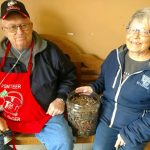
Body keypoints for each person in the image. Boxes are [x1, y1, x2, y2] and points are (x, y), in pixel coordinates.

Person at [0, 0, 76, 150]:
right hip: (7, 115)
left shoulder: (50, 51)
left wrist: (61, 99)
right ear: (3, 29)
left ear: (31, 25)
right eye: (12, 27)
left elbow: (69, 76)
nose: (19, 31)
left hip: (44, 115)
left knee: (63, 142)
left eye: (23, 25)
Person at [76, 7, 150, 150]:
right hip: (107, 120)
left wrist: (131, 133)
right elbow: (103, 80)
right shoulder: (115, 56)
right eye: (132, 29)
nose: (135, 36)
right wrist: (93, 88)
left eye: (144, 32)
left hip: (137, 126)